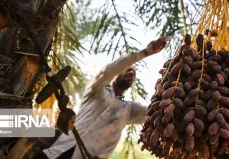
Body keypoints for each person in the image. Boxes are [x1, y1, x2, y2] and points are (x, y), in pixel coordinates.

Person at [35, 37, 167, 159]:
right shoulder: (97, 89)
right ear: (116, 74)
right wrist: (145, 53)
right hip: (56, 153)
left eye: (133, 74)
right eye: (127, 70)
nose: (130, 74)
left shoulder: (129, 110)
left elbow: (154, 112)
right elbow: (108, 71)